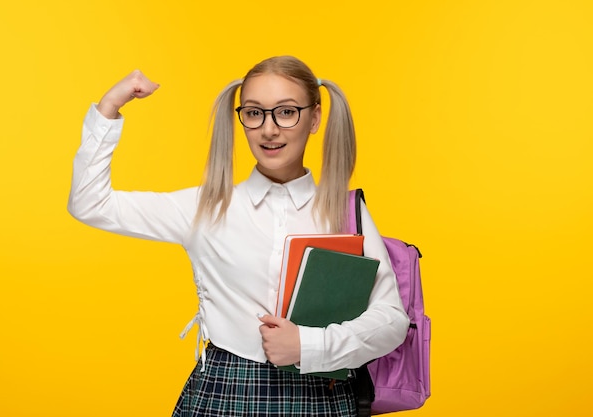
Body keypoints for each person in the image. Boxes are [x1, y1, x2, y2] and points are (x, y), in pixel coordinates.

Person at [68, 56, 409, 417]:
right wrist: (109, 107)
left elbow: (391, 320)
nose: (269, 130)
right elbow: (90, 203)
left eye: (287, 112)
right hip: (226, 391)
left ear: (315, 119)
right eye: (254, 113)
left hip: (322, 394)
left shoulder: (345, 212)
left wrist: (309, 344)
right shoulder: (205, 207)